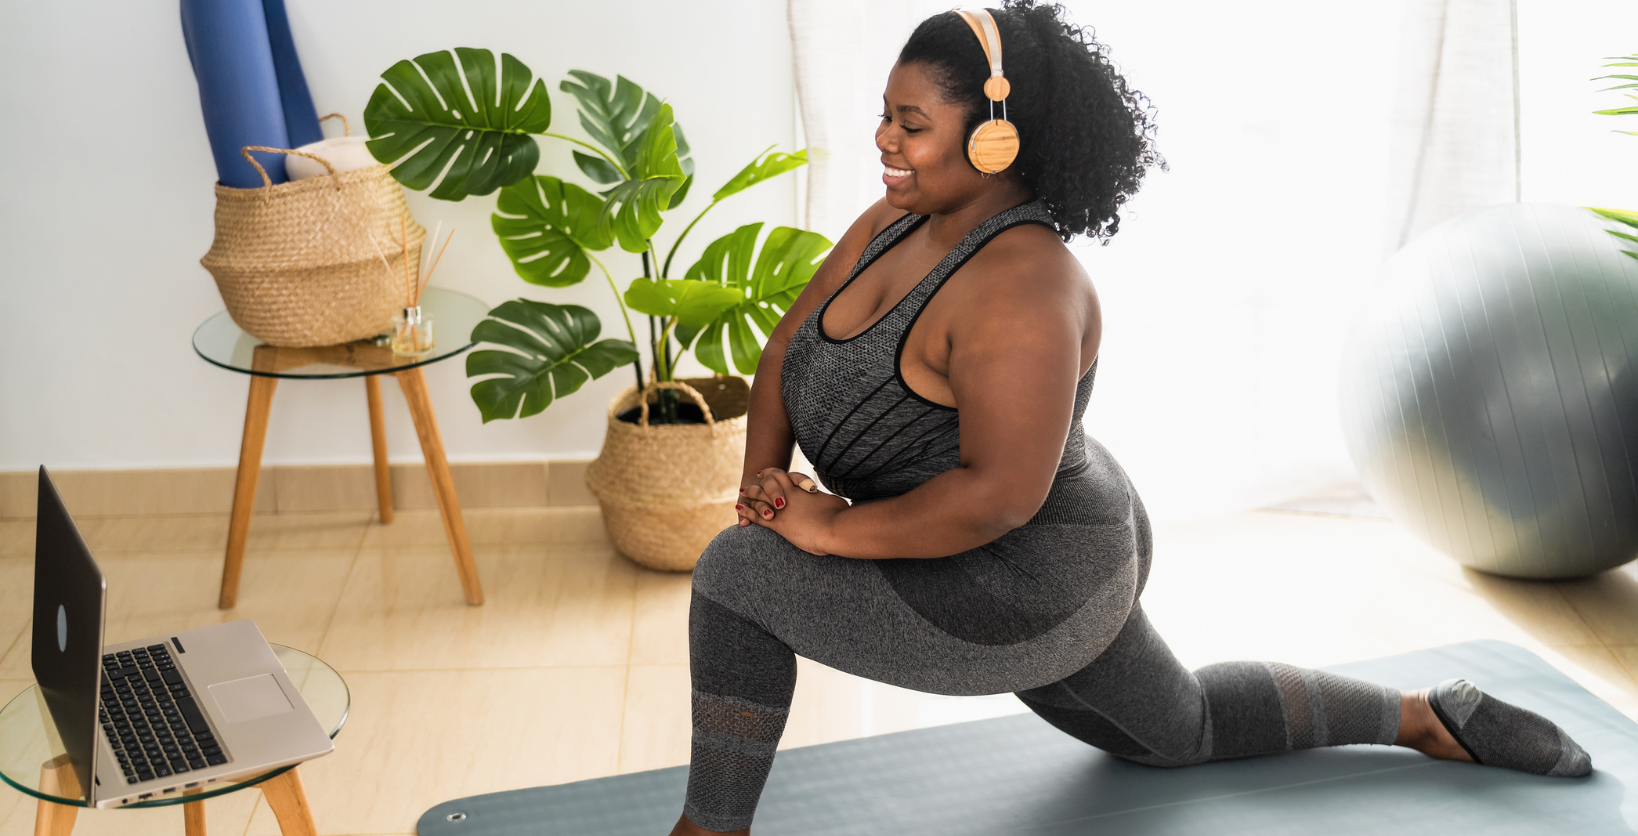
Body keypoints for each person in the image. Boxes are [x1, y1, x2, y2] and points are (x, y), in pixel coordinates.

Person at [670, 3, 1591, 833]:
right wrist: (766, 477)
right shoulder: (894, 219)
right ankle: (1428, 715)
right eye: (885, 112)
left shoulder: (1025, 287)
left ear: (995, 139)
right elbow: (790, 346)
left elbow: (994, 499)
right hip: (973, 542)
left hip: (1029, 577)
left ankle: (709, 830)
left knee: (738, 574)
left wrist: (828, 528)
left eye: (911, 124)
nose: (884, 138)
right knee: (1177, 728)